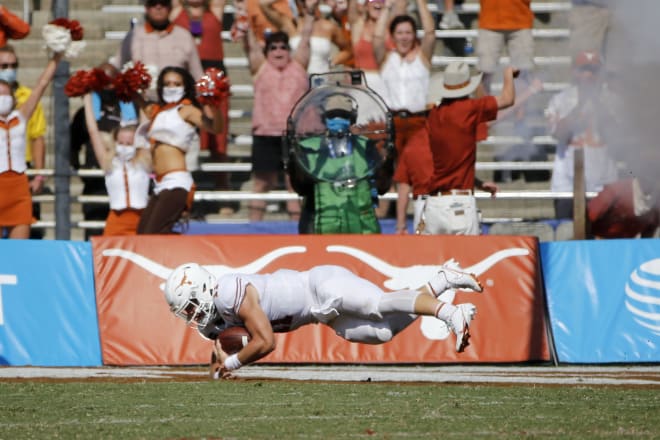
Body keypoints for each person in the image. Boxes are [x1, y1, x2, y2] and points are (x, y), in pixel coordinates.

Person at [163, 261, 483, 378]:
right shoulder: (213, 317)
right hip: (318, 315)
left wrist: (231, 365)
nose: (192, 315)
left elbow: (266, 342)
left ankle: (449, 313)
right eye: (186, 312)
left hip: (319, 284)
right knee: (383, 331)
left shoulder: (227, 291)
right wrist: (218, 366)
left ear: (202, 289)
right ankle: (442, 280)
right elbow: (219, 357)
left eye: (190, 306)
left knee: (378, 305)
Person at [236, 1, 315, 221]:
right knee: (261, 183)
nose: (278, 50)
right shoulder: (259, 67)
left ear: (289, 50)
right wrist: (243, 13)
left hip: (294, 135)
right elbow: (250, 42)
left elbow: (306, 37)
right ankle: (253, 229)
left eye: (283, 47)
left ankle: (296, 230)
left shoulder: (299, 66)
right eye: (273, 47)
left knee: (294, 184)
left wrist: (310, 13)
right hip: (265, 135)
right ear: (267, 51)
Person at [419, 61, 515, 235]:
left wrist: (477, 183)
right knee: (467, 260)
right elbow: (508, 99)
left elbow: (452, 162)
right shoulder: (468, 109)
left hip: (434, 205)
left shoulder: (433, 116)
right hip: (459, 206)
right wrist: (508, 73)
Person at [288, 92, 394, 233]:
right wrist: (293, 162)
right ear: (324, 119)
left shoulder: (367, 147)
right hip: (320, 227)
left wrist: (387, 163)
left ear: (352, 119)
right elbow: (300, 188)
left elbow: (381, 188)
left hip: (362, 228)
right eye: (332, 116)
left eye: (344, 116)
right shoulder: (308, 148)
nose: (338, 119)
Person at [136, 66, 225, 234]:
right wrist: (130, 80)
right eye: (167, 84)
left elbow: (215, 128)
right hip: (159, 183)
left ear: (185, 87)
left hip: (176, 182)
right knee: (143, 234)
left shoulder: (187, 110)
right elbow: (137, 98)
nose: (171, 87)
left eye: (177, 84)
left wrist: (214, 105)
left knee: (152, 234)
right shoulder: (157, 111)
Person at [171, 0, 235, 216]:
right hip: (186, 76)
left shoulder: (214, 11)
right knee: (184, 136)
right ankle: (184, 194)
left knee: (219, 137)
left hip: (213, 75)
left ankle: (222, 189)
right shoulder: (177, 11)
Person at [545, 50, 619, 219]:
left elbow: (617, 135)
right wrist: (580, 106)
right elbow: (558, 133)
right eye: (585, 70)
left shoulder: (612, 100)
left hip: (605, 182)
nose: (589, 75)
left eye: (594, 70)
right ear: (575, 72)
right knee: (568, 235)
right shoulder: (560, 100)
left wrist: (597, 103)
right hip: (566, 184)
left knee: (604, 237)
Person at [70, 62, 140, 239]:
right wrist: (82, 171)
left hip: (127, 181)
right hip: (97, 179)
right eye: (103, 81)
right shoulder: (84, 114)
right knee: (95, 231)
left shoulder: (132, 109)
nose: (108, 87)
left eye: (111, 81)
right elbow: (74, 144)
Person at [0, 50, 63, 239]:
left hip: (19, 185)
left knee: (19, 248)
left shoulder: (21, 116)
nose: (3, 99)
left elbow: (41, 85)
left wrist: (57, 57)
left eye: (6, 95)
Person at [83, 94, 151, 236]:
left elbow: (145, 127)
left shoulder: (143, 161)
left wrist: (139, 95)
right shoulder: (108, 162)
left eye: (129, 143)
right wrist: (86, 98)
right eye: (121, 143)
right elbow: (93, 132)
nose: (124, 147)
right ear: (114, 143)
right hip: (116, 220)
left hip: (142, 220)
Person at [114, 0, 203, 85]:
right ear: (146, 8)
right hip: (141, 98)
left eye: (163, 3)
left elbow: (197, 74)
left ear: (170, 8)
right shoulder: (133, 36)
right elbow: (119, 67)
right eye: (153, 3)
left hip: (176, 97)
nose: (158, 7)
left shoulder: (184, 36)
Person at [260, 0, 352, 74]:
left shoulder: (328, 26)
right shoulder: (290, 24)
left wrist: (331, 63)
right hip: (296, 81)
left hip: (320, 82)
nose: (305, 3)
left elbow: (347, 50)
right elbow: (263, 4)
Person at [476, 0, 535, 95]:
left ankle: (523, 109)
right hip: (489, 19)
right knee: (484, 72)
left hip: (521, 19)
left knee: (523, 74)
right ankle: (483, 109)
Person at [587, 175, 659, 239]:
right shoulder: (618, 189)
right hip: (602, 242)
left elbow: (649, 232)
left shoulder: (656, 201)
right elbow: (591, 213)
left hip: (628, 246)